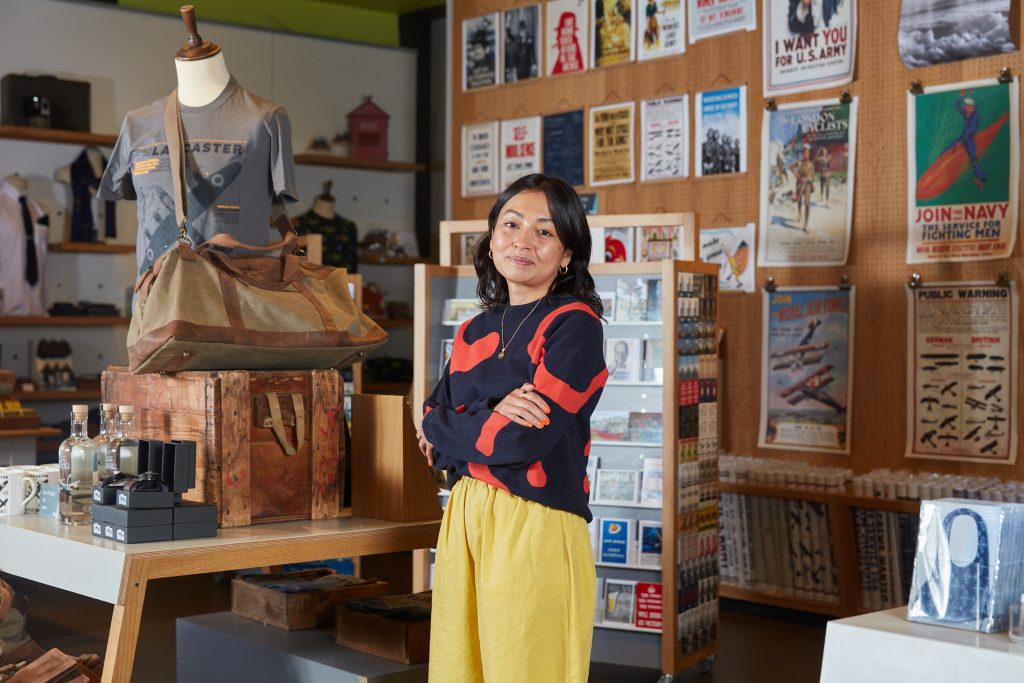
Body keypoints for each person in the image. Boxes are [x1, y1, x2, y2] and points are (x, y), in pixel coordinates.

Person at [417, 173, 608, 682]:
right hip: (464, 515)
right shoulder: (472, 330)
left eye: (545, 231)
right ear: (492, 237)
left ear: (567, 253)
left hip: (536, 521)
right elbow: (431, 430)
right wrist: (495, 410)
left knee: (526, 668)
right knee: (461, 666)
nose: (523, 240)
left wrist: (458, 425)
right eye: (511, 224)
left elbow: (523, 440)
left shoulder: (576, 324)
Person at [942, 91, 987, 190]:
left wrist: (961, 142)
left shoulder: (976, 117)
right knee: (946, 149)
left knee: (973, 160)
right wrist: (960, 96)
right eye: (965, 106)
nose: (965, 108)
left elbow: (971, 131)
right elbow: (957, 105)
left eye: (967, 106)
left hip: (969, 139)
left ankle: (982, 178)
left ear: (972, 107)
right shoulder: (967, 113)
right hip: (963, 137)